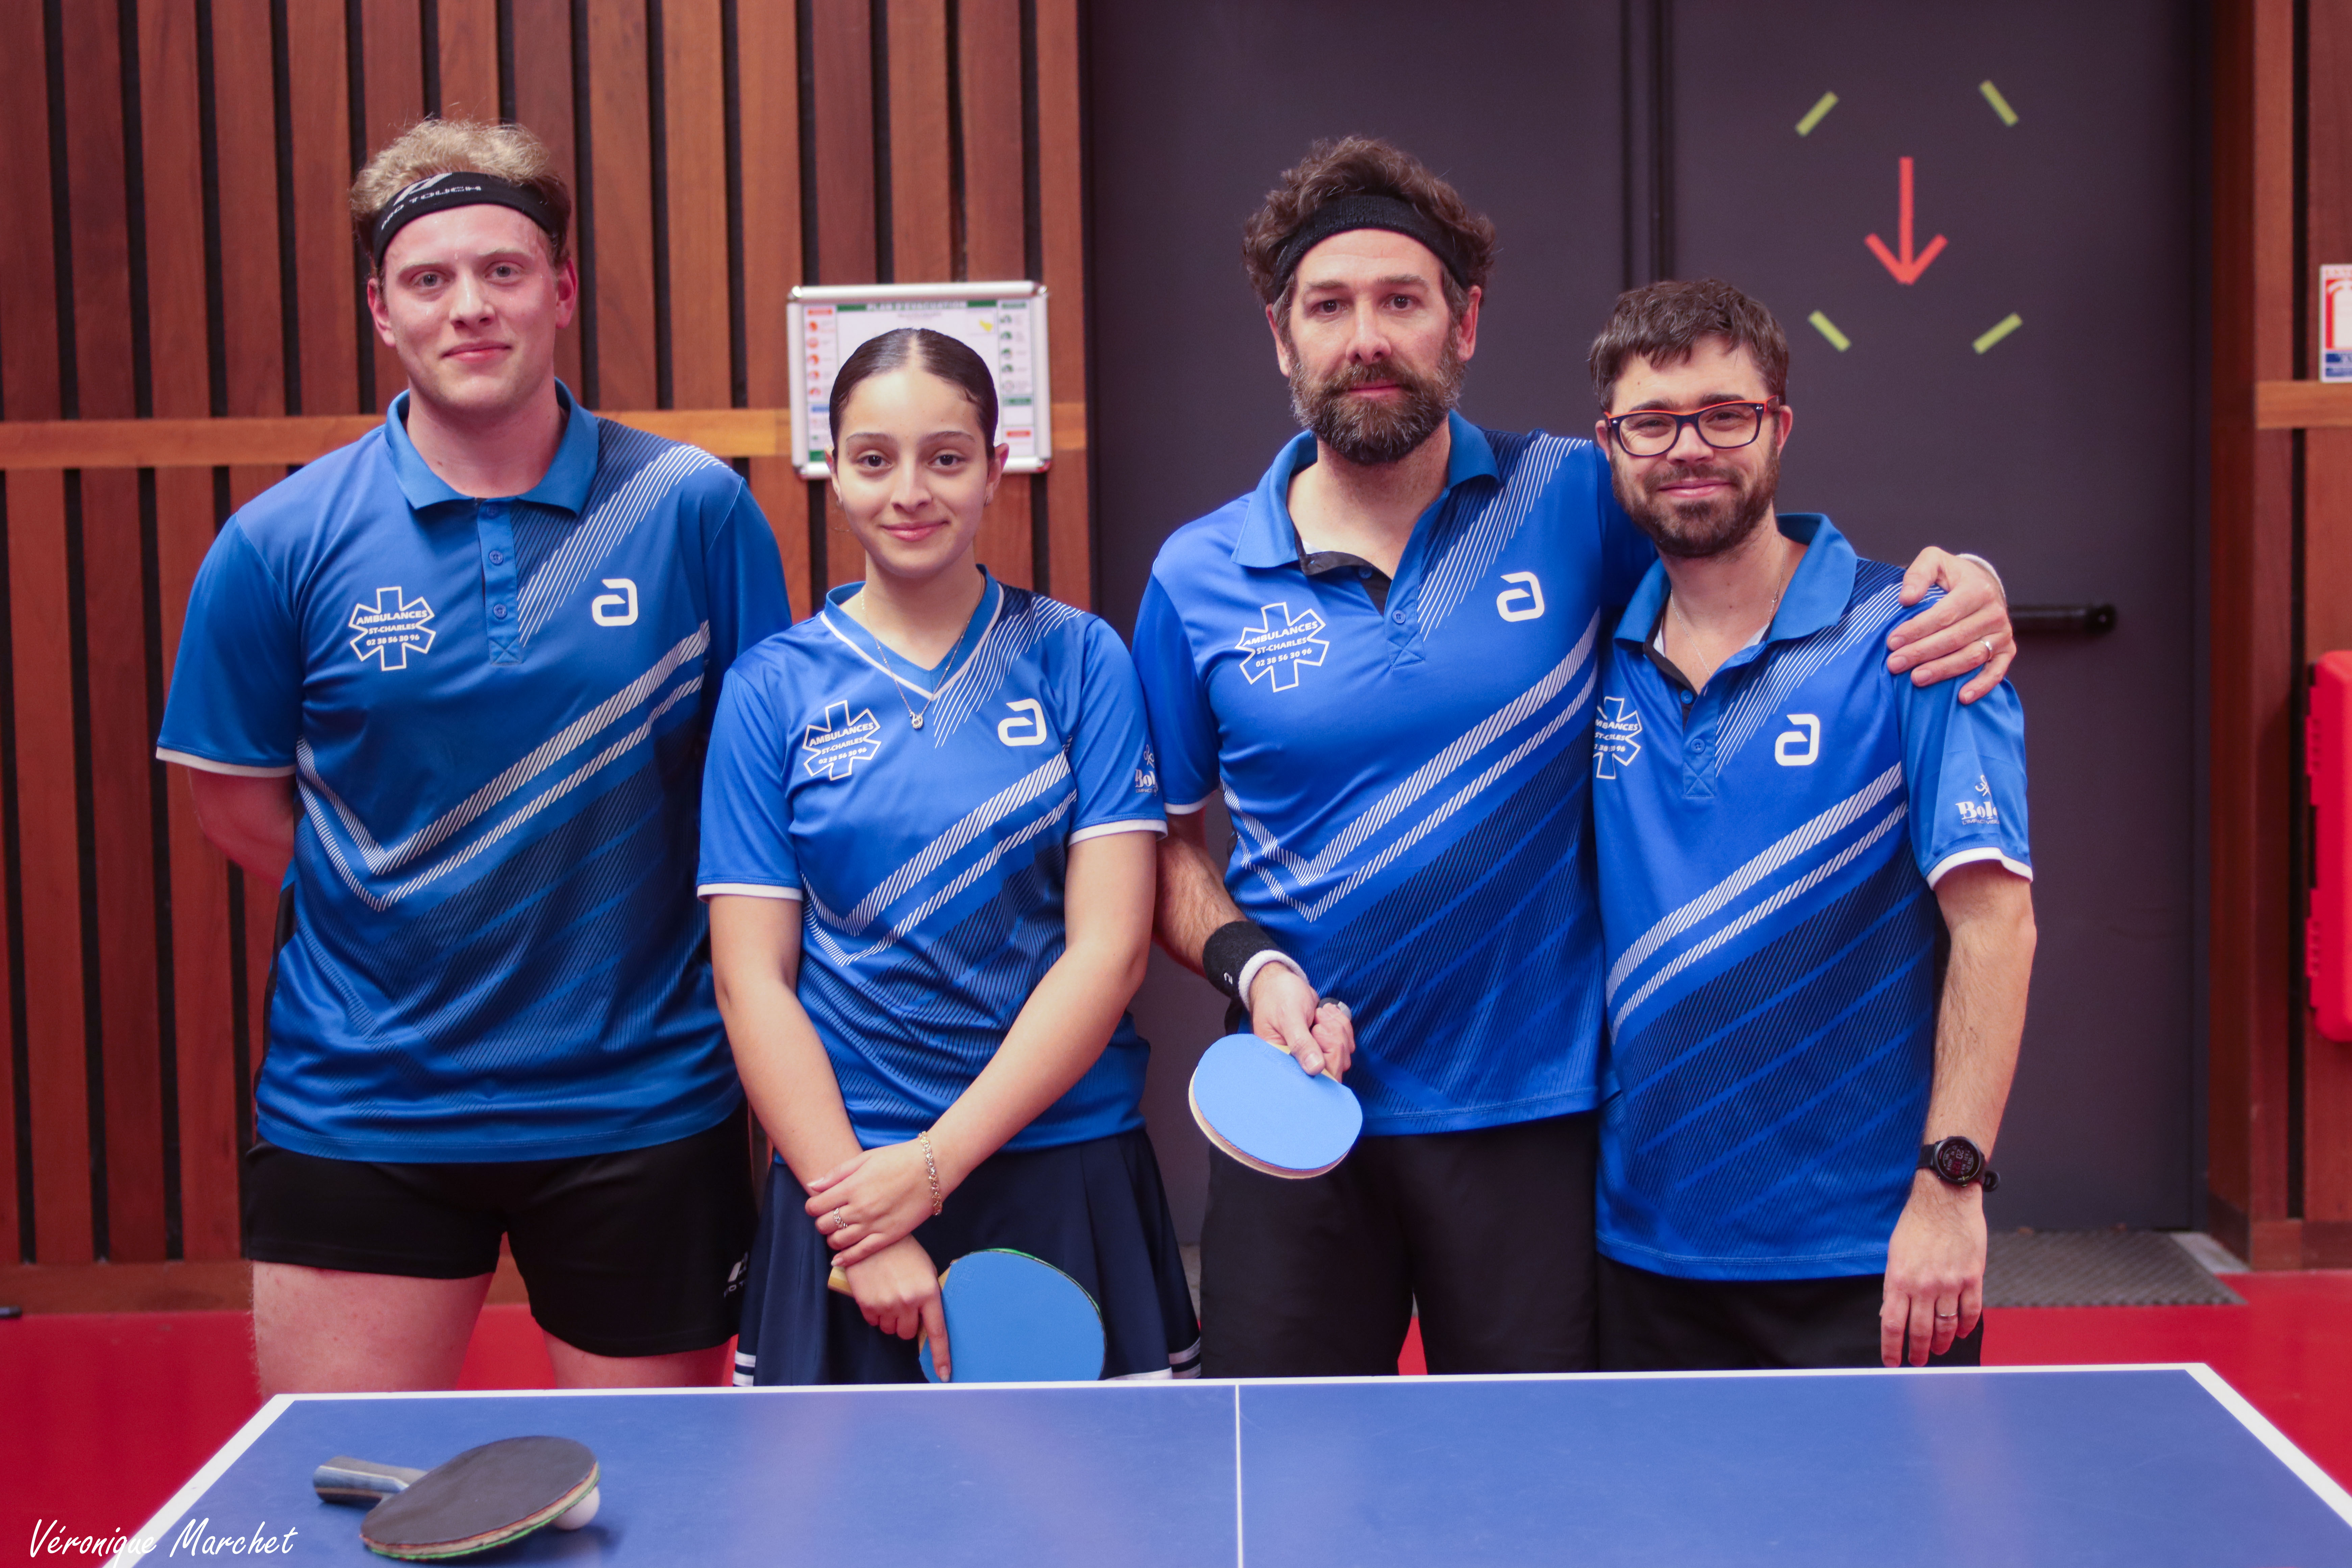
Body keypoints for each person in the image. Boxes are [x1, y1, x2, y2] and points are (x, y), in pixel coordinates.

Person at [1129, 136, 2018, 1377]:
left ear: (1465, 323)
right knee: (1285, 1465)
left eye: (1402, 300)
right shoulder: (1198, 576)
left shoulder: (1574, 499)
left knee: (1540, 1471)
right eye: (1328, 307)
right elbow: (1167, 852)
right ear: (1282, 337)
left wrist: (1961, 580)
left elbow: (1732, 533)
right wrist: (1255, 967)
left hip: (1537, 1122)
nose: (1367, 337)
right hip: (1301, 1103)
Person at [153, 119, 791, 1393]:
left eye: (504, 271)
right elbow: (235, 808)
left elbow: (756, 790)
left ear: (562, 289)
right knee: (352, 1487)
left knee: (664, 1494)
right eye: (429, 279)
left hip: (643, 1103)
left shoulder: (691, 507)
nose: (470, 307)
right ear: (381, 310)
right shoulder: (280, 541)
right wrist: (418, 913)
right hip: (365, 1105)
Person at [702, 328, 1198, 1384]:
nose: (910, 492)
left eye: (946, 457)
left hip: (1059, 1160)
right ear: (833, 471)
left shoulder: (1080, 659)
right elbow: (752, 982)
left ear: (995, 466)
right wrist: (864, 1217)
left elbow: (1109, 954)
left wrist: (932, 1170)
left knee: (1101, 1493)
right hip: (846, 1182)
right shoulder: (770, 690)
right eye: (874, 459)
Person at [1585, 279, 2035, 1370]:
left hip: (1867, 1253)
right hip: (1640, 1249)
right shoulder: (1591, 656)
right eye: (1653, 423)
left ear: (1779, 427)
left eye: (1725, 415)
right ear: (1612, 446)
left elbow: (1996, 926)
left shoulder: (1917, 640)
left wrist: (1953, 1187)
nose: (1689, 448)